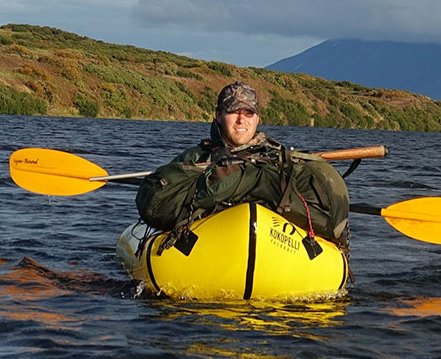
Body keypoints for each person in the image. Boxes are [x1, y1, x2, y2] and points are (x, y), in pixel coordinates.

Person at [135, 81, 350, 249]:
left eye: (249, 113)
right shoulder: (196, 157)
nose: (241, 120)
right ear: (218, 116)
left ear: (257, 119)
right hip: (210, 241)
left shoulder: (277, 158)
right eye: (233, 112)